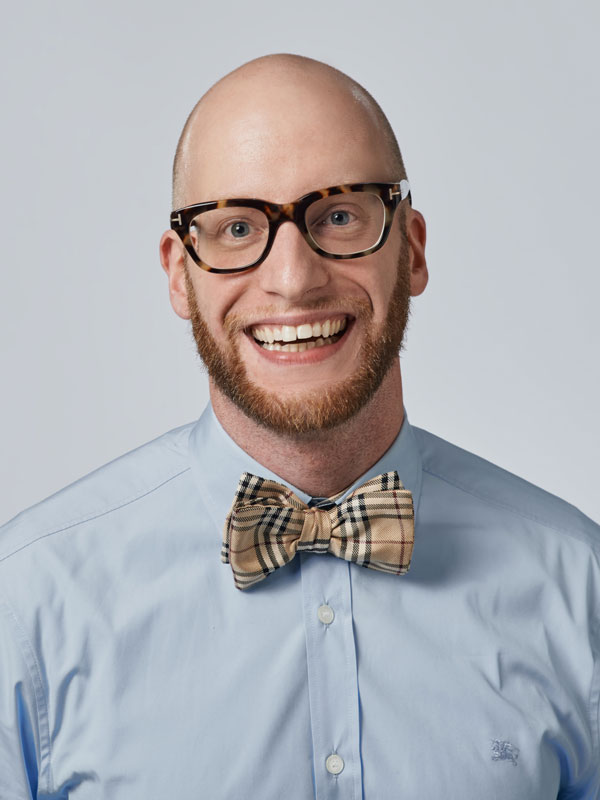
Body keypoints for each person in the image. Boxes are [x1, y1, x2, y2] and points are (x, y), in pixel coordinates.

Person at [1, 54, 598, 799]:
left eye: (340, 215)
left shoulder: (579, 583)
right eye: (238, 226)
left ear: (411, 249)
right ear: (177, 273)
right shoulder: (28, 604)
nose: (293, 278)